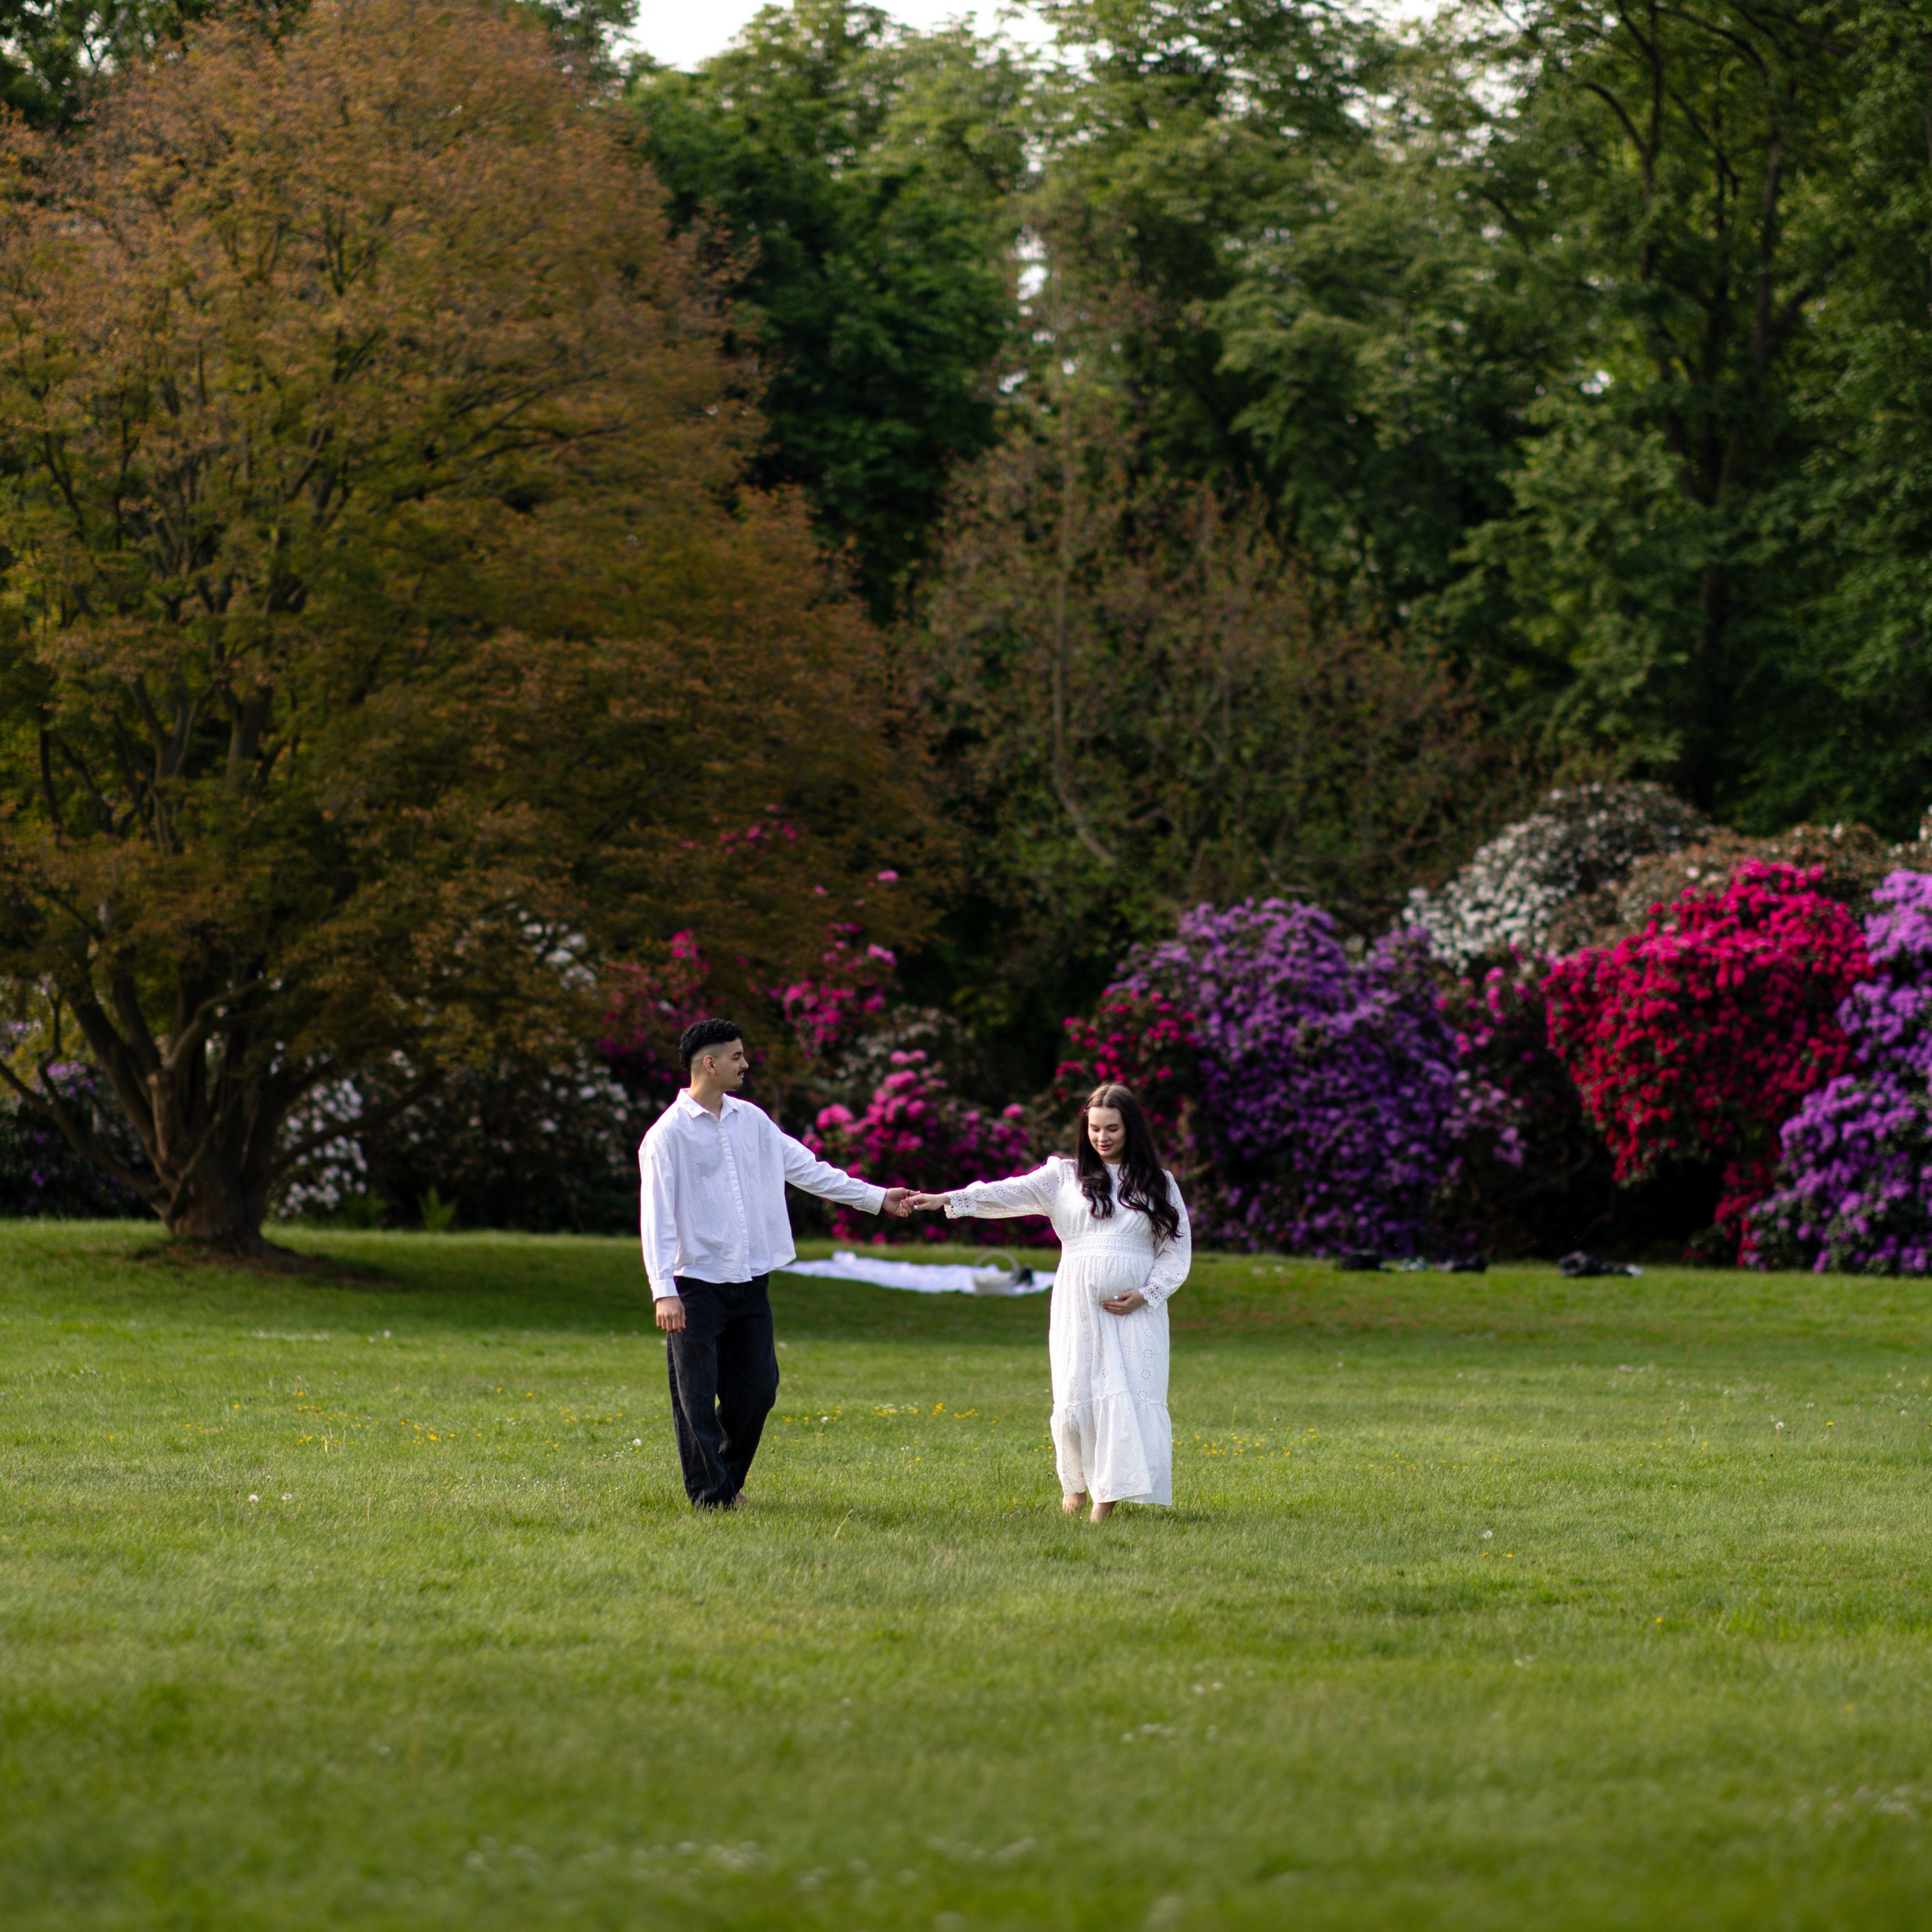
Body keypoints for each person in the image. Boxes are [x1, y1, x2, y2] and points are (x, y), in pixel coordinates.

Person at [641, 1017, 912, 1509]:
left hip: (749, 1283)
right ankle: (713, 1497)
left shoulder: (753, 1122)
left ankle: (724, 1480)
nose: (745, 1064)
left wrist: (876, 1198)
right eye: (737, 1056)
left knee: (758, 1391)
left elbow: (808, 1170)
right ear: (710, 1062)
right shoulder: (667, 1137)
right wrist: (664, 1289)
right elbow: (655, 1216)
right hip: (694, 1285)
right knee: (695, 1400)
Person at [906, 1082, 1189, 1521]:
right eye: (1094, 1128)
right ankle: (1075, 1485)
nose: (1102, 1137)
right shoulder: (1064, 1176)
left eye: (1112, 1128)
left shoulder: (1159, 1184)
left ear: (1131, 1129)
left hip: (1135, 1312)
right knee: (1077, 1390)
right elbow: (1004, 1192)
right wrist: (949, 1200)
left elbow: (1176, 1250)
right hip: (1077, 1303)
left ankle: (1106, 1499)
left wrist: (1147, 1294)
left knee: (1128, 1393)